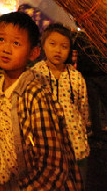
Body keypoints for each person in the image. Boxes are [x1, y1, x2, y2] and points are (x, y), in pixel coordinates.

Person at [0, 11, 81, 191]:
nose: (6, 49)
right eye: (1, 40)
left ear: (34, 52)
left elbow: (53, 168)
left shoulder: (34, 93)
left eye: (16, 43)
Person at [31, 24, 90, 182]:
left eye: (64, 46)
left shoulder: (76, 77)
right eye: (52, 44)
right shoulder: (34, 75)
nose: (58, 50)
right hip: (45, 152)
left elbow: (83, 111)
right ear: (43, 45)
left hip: (76, 148)